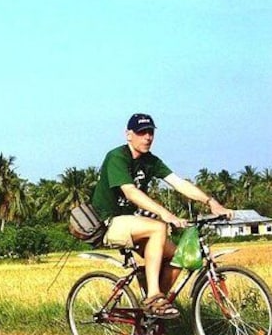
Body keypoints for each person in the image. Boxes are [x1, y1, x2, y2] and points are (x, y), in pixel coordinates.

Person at [91, 113, 233, 317]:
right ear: (128, 135)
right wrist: (166, 215)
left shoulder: (151, 161)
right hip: (109, 222)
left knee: (179, 257)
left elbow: (179, 183)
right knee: (158, 227)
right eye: (141, 133)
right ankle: (153, 295)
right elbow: (130, 191)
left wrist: (212, 203)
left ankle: (154, 307)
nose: (147, 137)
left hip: (133, 222)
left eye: (150, 132)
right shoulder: (117, 157)